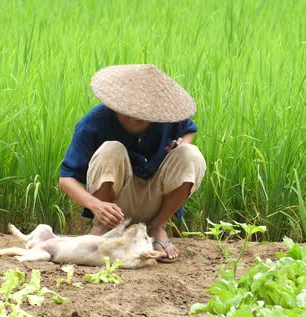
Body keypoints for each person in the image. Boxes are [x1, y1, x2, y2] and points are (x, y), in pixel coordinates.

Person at [58, 64, 206, 262]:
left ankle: (157, 227)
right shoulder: (94, 123)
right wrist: (96, 205)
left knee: (190, 154)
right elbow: (66, 179)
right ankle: (103, 226)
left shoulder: (163, 117)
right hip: (114, 201)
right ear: (122, 110)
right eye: (139, 117)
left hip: (156, 196)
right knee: (111, 149)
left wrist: (181, 144)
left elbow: (189, 129)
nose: (146, 121)